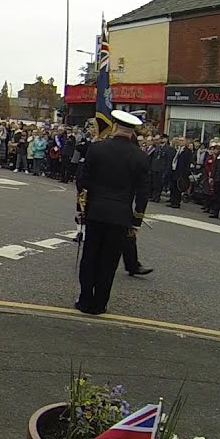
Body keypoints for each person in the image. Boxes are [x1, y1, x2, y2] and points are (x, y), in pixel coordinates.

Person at [74, 110, 151, 316]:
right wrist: (137, 220)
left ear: (115, 127)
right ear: (133, 132)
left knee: (90, 257)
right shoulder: (140, 157)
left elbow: (82, 180)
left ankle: (84, 300)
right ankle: (100, 304)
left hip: (96, 211)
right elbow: (143, 193)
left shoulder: (97, 148)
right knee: (109, 262)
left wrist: (82, 207)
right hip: (121, 215)